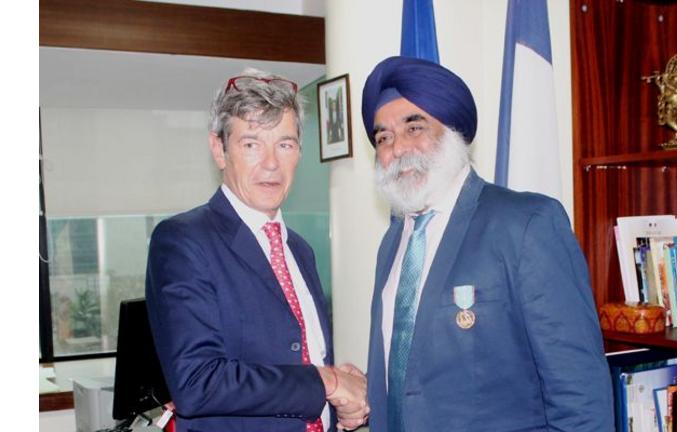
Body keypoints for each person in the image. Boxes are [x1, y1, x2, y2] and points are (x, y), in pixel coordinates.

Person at [360, 56, 614, 431]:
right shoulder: (393, 241)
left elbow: (580, 393)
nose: (397, 149)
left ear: (453, 133)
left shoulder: (526, 224)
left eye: (414, 128)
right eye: (384, 137)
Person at [145, 68, 368, 432]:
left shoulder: (300, 250)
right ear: (219, 150)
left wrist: (340, 401)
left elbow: (295, 358)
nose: (271, 163)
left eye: (285, 144)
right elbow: (198, 383)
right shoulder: (183, 241)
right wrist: (326, 382)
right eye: (251, 144)